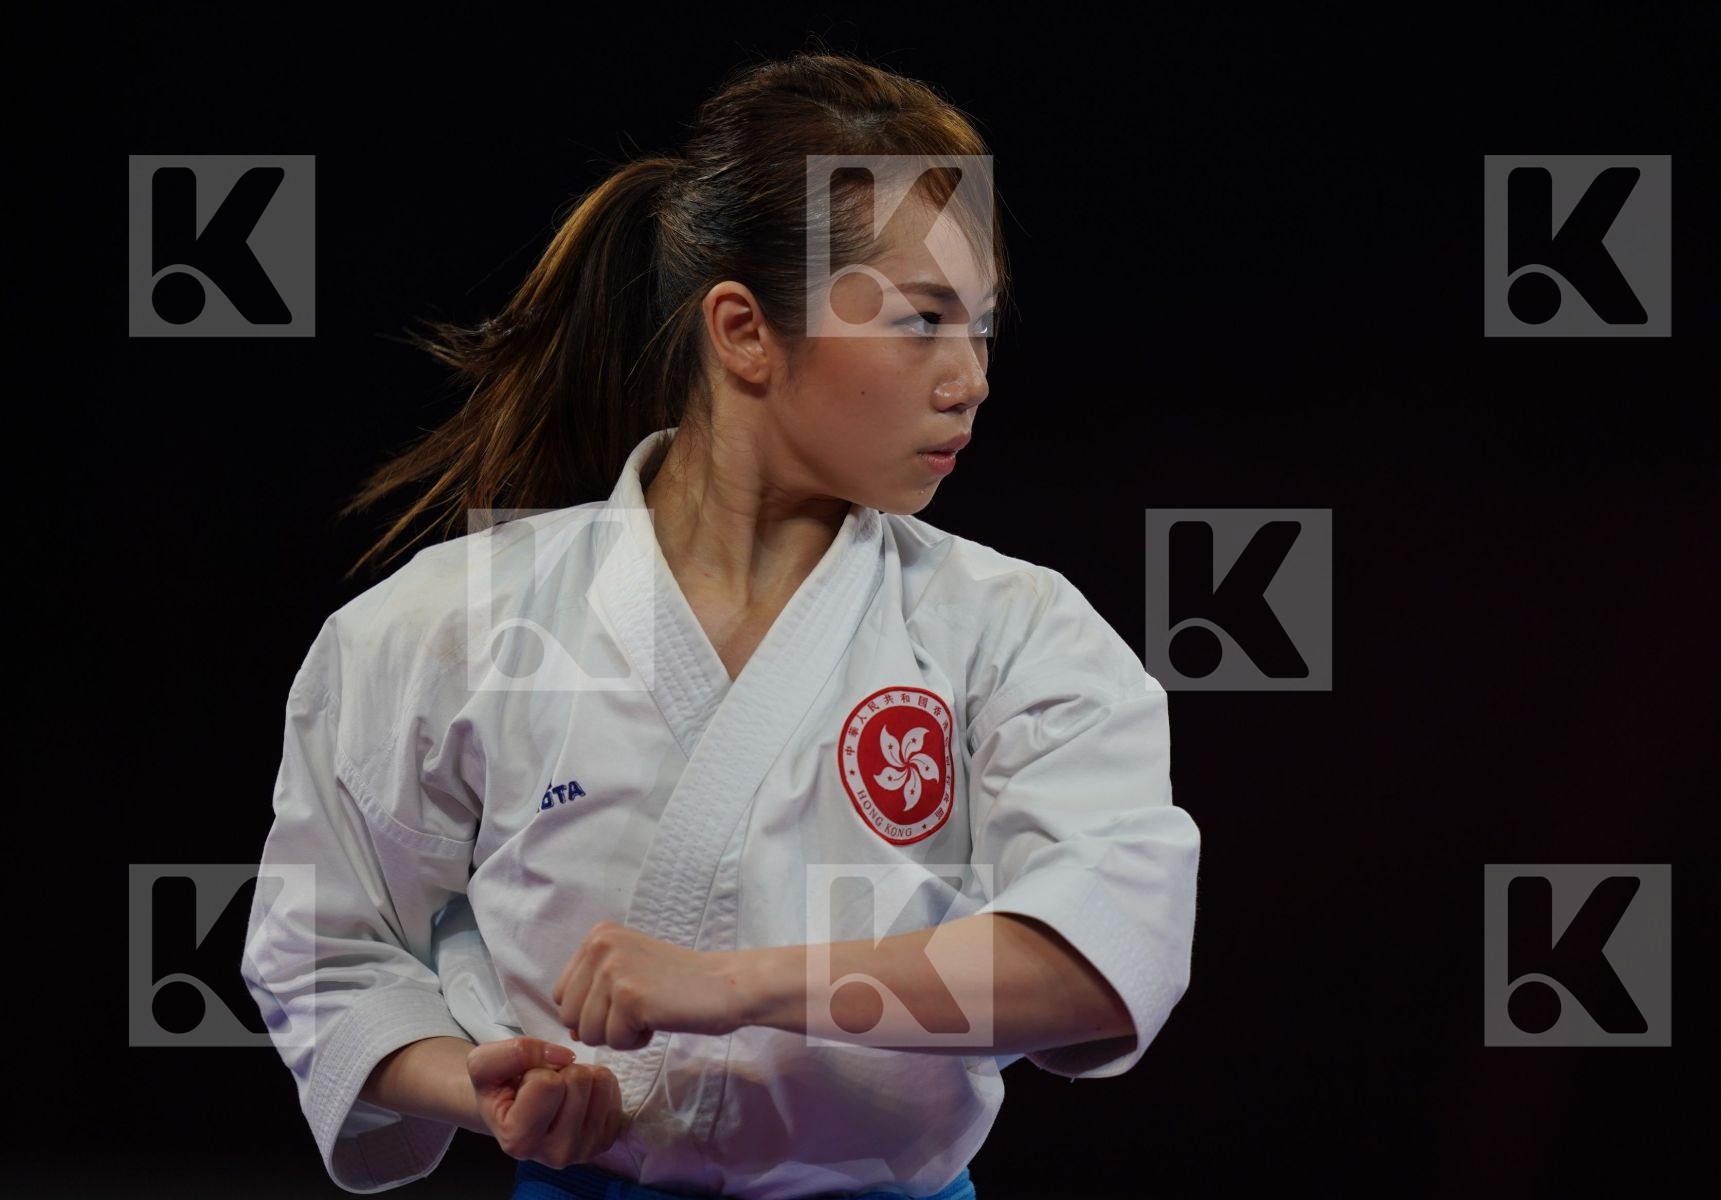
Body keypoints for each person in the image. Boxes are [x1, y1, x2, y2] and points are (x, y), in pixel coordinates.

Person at [242, 48, 1200, 1200]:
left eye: (982, 327)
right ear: (744, 332)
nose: (971, 379)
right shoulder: (451, 625)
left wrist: (739, 983)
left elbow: (1100, 963)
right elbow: (322, 952)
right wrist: (477, 1081)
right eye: (921, 322)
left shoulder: (1014, 632)